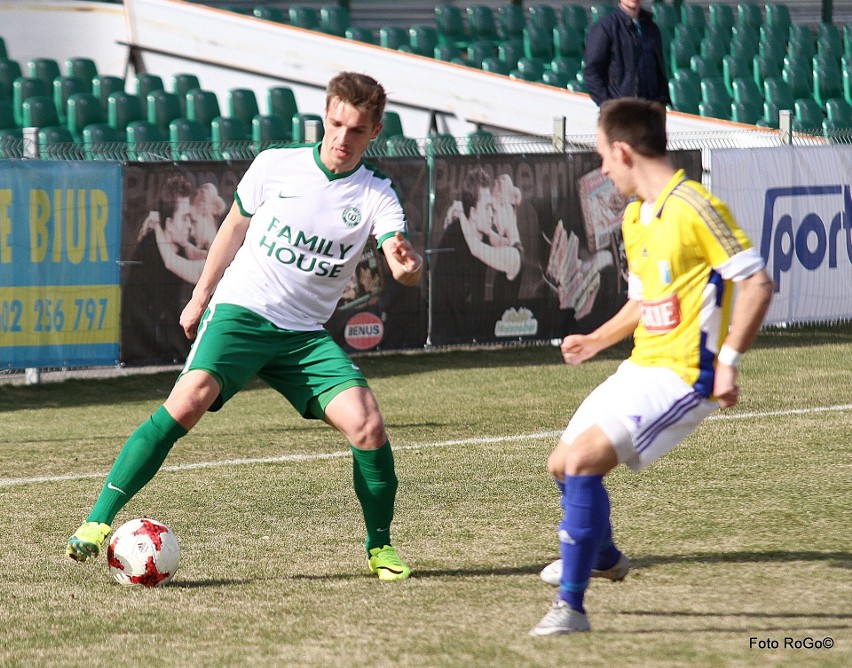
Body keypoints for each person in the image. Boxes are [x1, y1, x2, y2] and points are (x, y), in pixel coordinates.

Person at [67, 71, 424, 582]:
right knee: (188, 401)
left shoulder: (376, 193)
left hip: (303, 334)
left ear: (376, 131)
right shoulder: (276, 165)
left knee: (367, 424)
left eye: (358, 130)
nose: (344, 138)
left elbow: (399, 258)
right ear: (325, 115)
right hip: (242, 311)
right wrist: (200, 296)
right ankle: (97, 522)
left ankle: (381, 547)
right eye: (337, 123)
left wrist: (407, 268)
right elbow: (233, 226)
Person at [529, 98, 773, 635]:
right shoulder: (637, 216)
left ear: (622, 150)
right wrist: (595, 340)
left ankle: (571, 608)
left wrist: (728, 361)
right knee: (561, 464)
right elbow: (643, 302)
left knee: (585, 461)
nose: (602, 171)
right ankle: (604, 555)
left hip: (686, 375)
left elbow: (757, 282)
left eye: (602, 158)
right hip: (642, 367)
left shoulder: (694, 205)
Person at [431, 167, 523, 343]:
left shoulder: (508, 252)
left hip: (493, 332)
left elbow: (476, 248)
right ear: (473, 213)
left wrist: (462, 212)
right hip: (451, 335)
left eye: (495, 208)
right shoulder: (456, 238)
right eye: (489, 207)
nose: (492, 215)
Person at [121, 174, 204, 364]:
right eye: (185, 219)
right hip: (144, 351)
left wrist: (158, 224)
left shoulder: (198, 252)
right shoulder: (150, 251)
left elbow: (176, 261)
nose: (189, 227)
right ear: (169, 222)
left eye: (192, 219)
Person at [583, 0, 670, 107]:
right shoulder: (606, 26)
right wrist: (608, 105)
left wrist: (661, 101)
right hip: (621, 113)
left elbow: (659, 70)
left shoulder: (652, 28)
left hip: (651, 112)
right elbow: (592, 71)